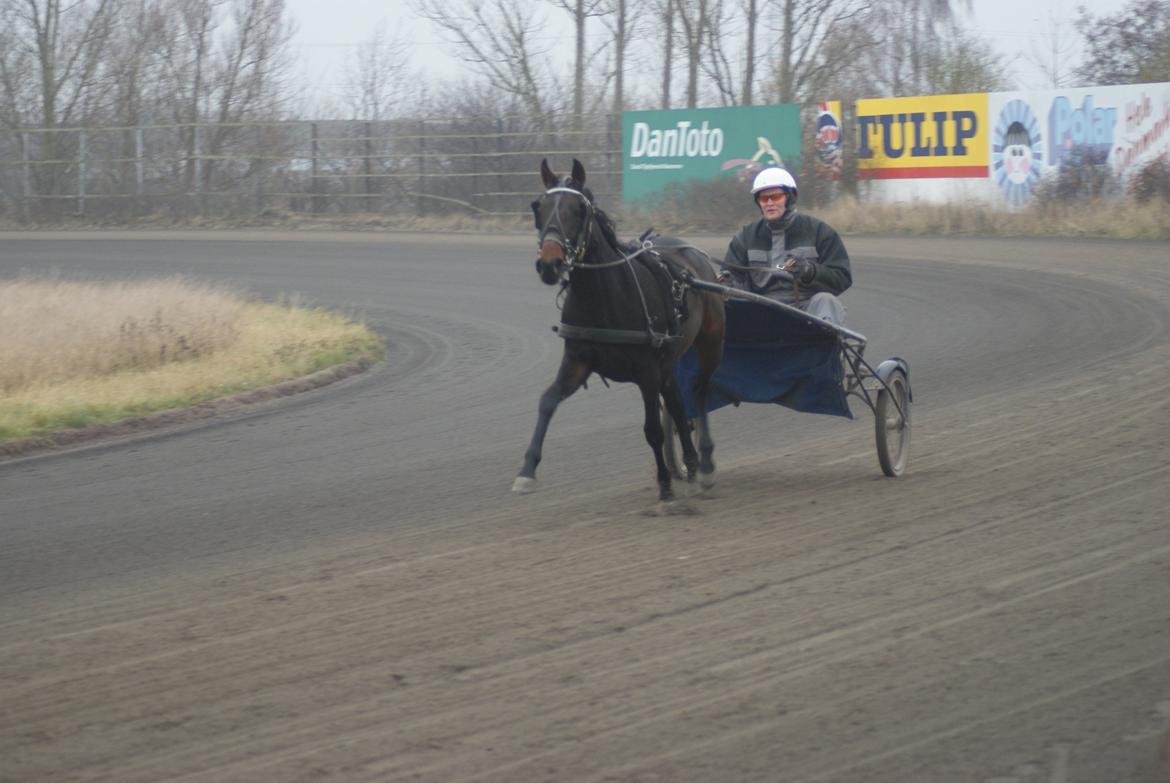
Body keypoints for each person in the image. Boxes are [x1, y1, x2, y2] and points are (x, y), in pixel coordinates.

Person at [718, 167, 851, 325]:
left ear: (790, 197)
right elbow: (731, 277)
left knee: (827, 300)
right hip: (757, 309)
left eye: (775, 196)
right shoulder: (746, 236)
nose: (769, 203)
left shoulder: (819, 231)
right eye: (763, 198)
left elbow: (842, 278)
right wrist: (725, 281)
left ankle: (822, 345)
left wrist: (810, 271)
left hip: (806, 310)